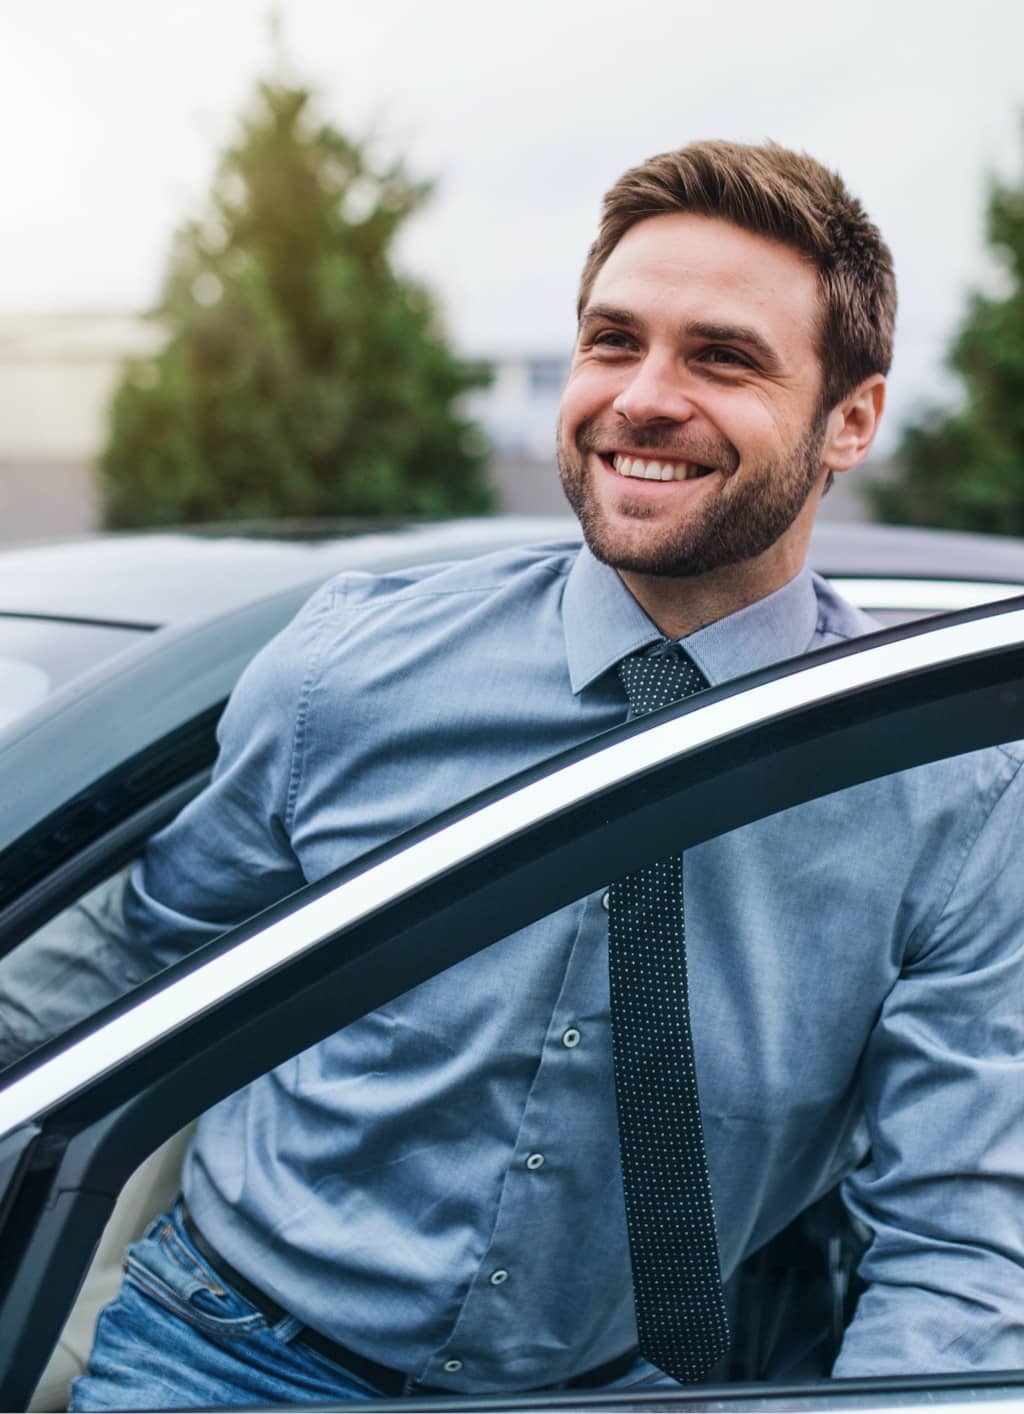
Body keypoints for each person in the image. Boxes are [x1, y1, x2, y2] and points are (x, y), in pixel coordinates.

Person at [7, 140, 1024, 1409]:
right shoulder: (351, 666)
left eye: (721, 357)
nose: (642, 398)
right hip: (218, 1354)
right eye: (611, 341)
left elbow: (960, 1239)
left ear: (852, 419)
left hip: (608, 1387)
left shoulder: (950, 787)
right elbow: (125, 959)